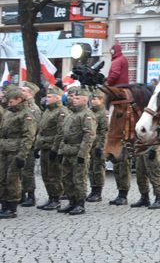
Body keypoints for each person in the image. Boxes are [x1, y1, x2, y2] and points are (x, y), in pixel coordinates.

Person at [56, 87, 97, 215]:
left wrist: (83, 153)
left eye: (78, 98)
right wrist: (60, 150)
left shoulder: (87, 115)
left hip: (78, 152)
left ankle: (80, 204)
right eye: (74, 97)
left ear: (85, 100)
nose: (74, 100)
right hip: (67, 151)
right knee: (66, 178)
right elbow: (65, 134)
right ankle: (71, 201)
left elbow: (89, 135)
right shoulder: (71, 114)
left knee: (79, 179)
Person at [0, 84, 38, 219]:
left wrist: (22, 155)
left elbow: (28, 137)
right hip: (4, 149)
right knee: (2, 178)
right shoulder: (9, 113)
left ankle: (12, 207)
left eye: (11, 101)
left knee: (12, 179)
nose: (9, 104)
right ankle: (3, 205)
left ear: (19, 99)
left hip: (16, 151)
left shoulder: (26, 115)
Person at [35, 87, 69, 210]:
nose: (47, 98)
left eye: (50, 97)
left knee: (54, 174)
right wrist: (36, 147)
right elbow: (41, 131)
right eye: (47, 96)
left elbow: (61, 133)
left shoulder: (61, 111)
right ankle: (51, 197)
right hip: (44, 147)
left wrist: (55, 149)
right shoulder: (48, 111)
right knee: (45, 174)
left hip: (53, 148)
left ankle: (56, 198)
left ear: (58, 98)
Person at [17, 82, 41, 207]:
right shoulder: (21, 106)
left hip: (29, 144)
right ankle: (21, 194)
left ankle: (31, 196)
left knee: (28, 172)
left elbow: (35, 129)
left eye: (24, 91)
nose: (21, 92)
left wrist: (33, 145)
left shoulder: (33, 109)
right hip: (19, 143)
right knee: (20, 171)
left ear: (30, 93)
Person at [85, 91, 109, 203]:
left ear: (102, 100)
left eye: (96, 99)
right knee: (91, 168)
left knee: (98, 168)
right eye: (92, 99)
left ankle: (98, 191)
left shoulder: (104, 113)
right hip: (90, 144)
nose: (93, 101)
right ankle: (93, 189)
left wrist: (100, 146)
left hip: (98, 144)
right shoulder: (90, 112)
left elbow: (104, 132)